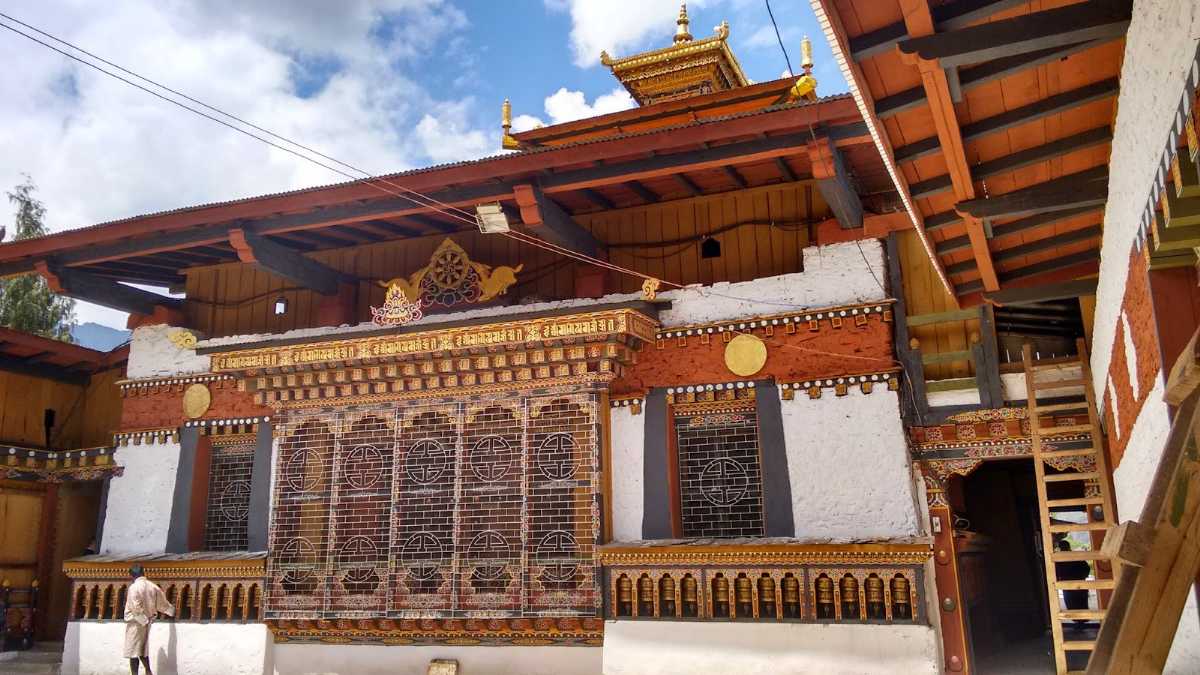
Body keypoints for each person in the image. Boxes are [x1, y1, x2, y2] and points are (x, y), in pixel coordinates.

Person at [123, 565, 174, 675]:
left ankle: (135, 674)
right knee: (143, 650)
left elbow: (135, 607)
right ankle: (148, 671)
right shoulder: (153, 586)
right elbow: (162, 604)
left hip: (136, 622)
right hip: (148, 621)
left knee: (133, 652)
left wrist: (143, 620)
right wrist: (171, 612)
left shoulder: (134, 587)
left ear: (132, 576)